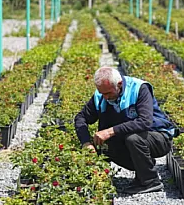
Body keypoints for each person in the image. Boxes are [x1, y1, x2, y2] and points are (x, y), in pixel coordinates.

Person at [74, 67, 175, 195]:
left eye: (108, 93)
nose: (105, 97)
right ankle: (142, 169)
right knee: (102, 145)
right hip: (135, 140)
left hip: (158, 137)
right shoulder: (101, 95)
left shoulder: (139, 89)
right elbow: (81, 118)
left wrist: (110, 131)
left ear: (119, 84)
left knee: (133, 139)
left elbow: (145, 121)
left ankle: (150, 181)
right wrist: (86, 143)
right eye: (102, 93)